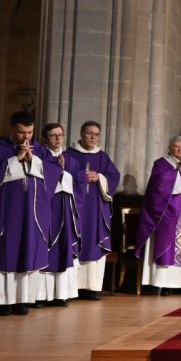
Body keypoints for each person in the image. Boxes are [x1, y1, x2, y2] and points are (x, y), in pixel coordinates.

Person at [0, 111, 56, 315]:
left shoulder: (40, 150)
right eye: (22, 132)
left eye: (30, 132)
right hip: (5, 212)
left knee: (27, 251)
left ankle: (21, 300)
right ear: (12, 129)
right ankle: (1, 301)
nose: (26, 137)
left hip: (32, 214)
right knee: (4, 250)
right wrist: (16, 160)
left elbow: (54, 171)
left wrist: (33, 161)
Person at [135, 135, 181, 295]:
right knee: (167, 246)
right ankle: (163, 284)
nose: (180, 150)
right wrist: (179, 170)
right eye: (176, 147)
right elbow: (159, 186)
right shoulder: (161, 163)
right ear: (169, 148)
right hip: (167, 212)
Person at [68, 121, 120, 300]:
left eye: (96, 134)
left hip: (96, 210)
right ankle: (71, 288)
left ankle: (91, 288)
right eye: (89, 133)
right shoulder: (70, 155)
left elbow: (114, 177)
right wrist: (80, 177)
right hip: (75, 208)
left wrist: (100, 177)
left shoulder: (102, 157)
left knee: (94, 242)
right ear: (81, 134)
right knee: (75, 241)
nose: (92, 137)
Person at [36, 123, 78, 307]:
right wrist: (56, 170)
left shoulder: (70, 160)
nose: (58, 138)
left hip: (64, 206)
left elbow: (80, 181)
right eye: (53, 135)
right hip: (45, 206)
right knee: (43, 245)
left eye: (60, 135)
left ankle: (60, 294)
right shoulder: (40, 156)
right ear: (45, 138)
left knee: (62, 247)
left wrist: (64, 172)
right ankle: (39, 295)